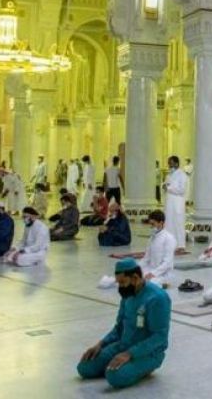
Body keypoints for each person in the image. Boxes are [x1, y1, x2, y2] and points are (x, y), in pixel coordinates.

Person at [77, 257, 171, 389]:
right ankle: (123, 367)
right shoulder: (128, 294)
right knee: (84, 367)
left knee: (114, 376)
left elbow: (159, 337)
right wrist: (101, 344)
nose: (120, 287)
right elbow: (119, 328)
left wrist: (130, 354)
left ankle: (144, 367)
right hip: (123, 345)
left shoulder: (157, 298)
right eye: (118, 282)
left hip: (148, 353)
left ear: (135, 278)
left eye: (122, 282)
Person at [139, 210, 176, 287]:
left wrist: (153, 273)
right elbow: (146, 258)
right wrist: (136, 268)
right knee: (130, 276)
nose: (151, 226)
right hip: (150, 269)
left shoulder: (169, 238)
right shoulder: (152, 237)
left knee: (147, 284)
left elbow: (167, 263)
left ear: (161, 223)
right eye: (150, 224)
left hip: (163, 274)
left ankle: (164, 284)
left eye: (153, 224)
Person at [162, 155, 187, 250]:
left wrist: (169, 188)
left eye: (171, 163)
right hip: (169, 203)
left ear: (176, 163)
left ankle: (180, 245)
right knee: (169, 223)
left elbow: (182, 190)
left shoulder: (182, 175)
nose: (169, 165)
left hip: (177, 203)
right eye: (168, 163)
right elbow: (165, 186)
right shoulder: (168, 175)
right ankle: (170, 243)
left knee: (178, 223)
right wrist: (164, 186)